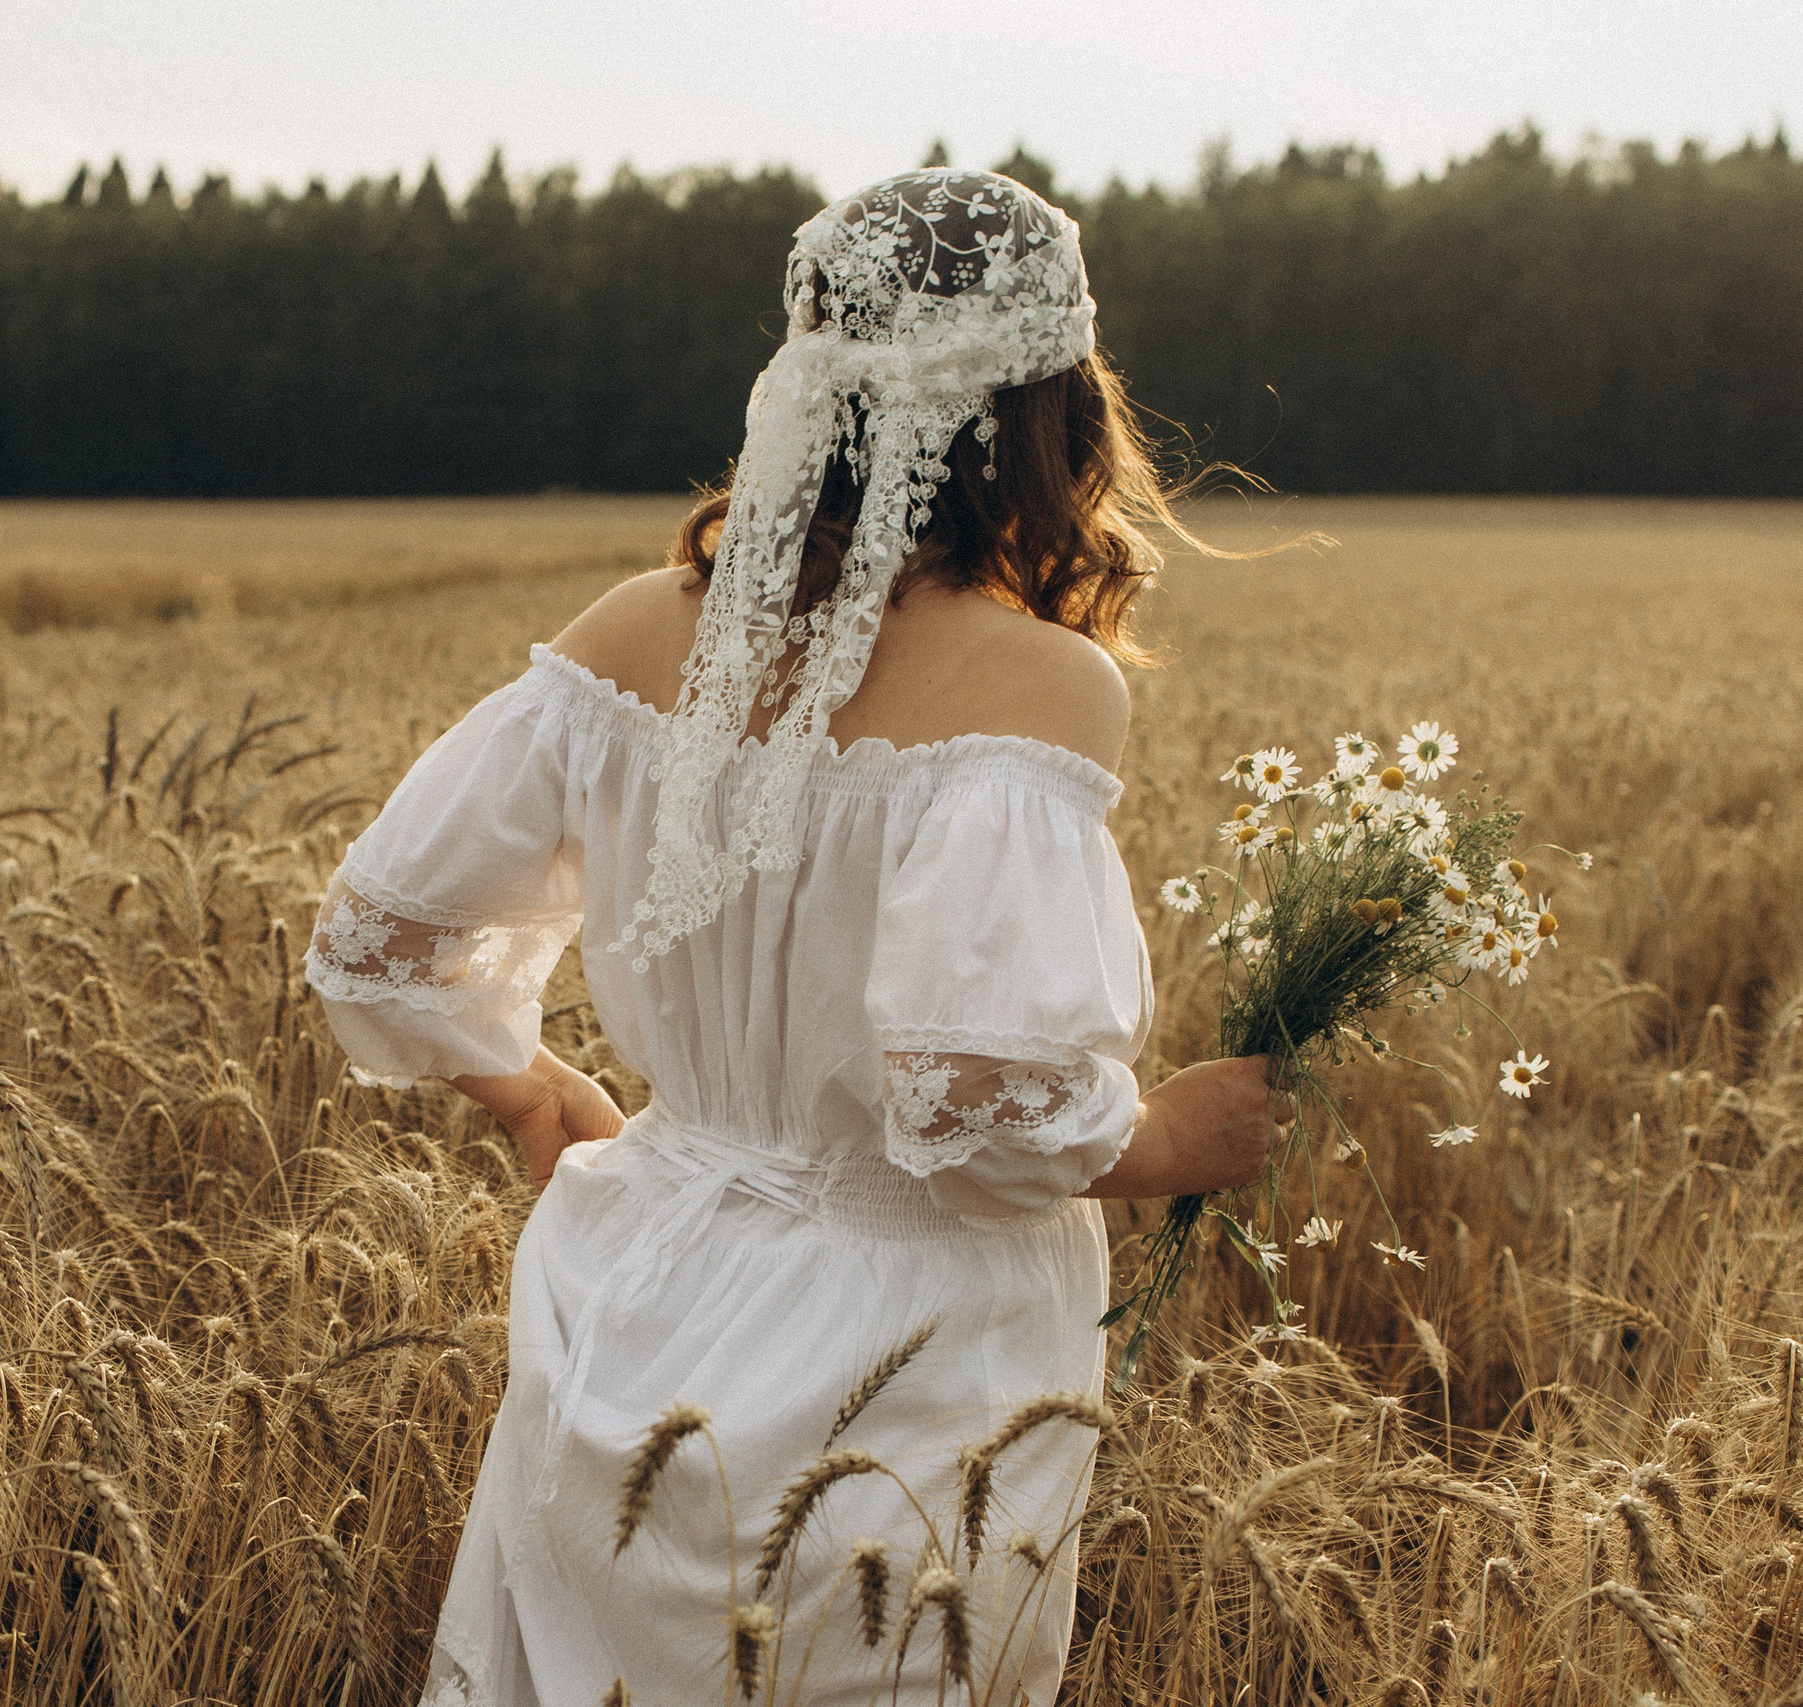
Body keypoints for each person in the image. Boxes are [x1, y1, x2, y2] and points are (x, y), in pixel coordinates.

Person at [304, 170, 1284, 1706]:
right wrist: (1170, 1139)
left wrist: (529, 1089)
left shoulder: (631, 632)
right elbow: (980, 1103)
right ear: (1053, 420)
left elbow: (379, 936)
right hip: (900, 1340)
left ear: (804, 394)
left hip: (637, 1282)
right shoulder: (1038, 683)